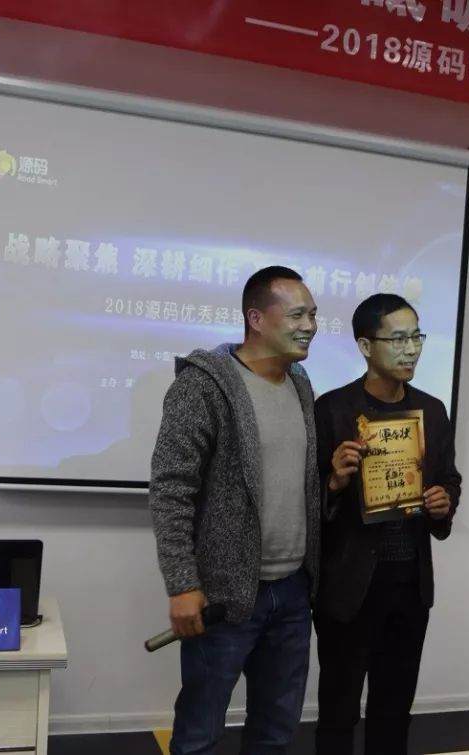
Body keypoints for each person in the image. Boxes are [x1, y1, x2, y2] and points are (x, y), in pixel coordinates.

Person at [149, 265, 321, 754]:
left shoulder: (301, 384)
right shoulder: (203, 385)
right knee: (200, 733)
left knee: (276, 731)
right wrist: (182, 584)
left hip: (293, 593)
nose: (310, 326)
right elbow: (171, 488)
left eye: (313, 315)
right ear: (256, 319)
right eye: (297, 315)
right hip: (224, 596)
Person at [313, 293, 462, 755]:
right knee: (339, 708)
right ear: (365, 346)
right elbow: (307, 495)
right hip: (350, 585)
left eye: (416, 337)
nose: (411, 349)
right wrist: (334, 481)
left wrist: (443, 502)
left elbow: (449, 478)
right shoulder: (333, 409)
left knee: (394, 707)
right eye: (397, 339)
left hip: (409, 583)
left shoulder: (432, 410)